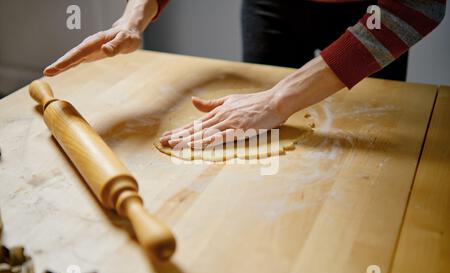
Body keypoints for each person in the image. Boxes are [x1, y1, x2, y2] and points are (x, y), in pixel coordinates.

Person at [44, 0, 446, 150]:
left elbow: (420, 5)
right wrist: (133, 18)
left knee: (372, 131)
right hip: (271, 6)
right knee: (259, 140)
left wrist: (277, 100)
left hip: (374, 12)